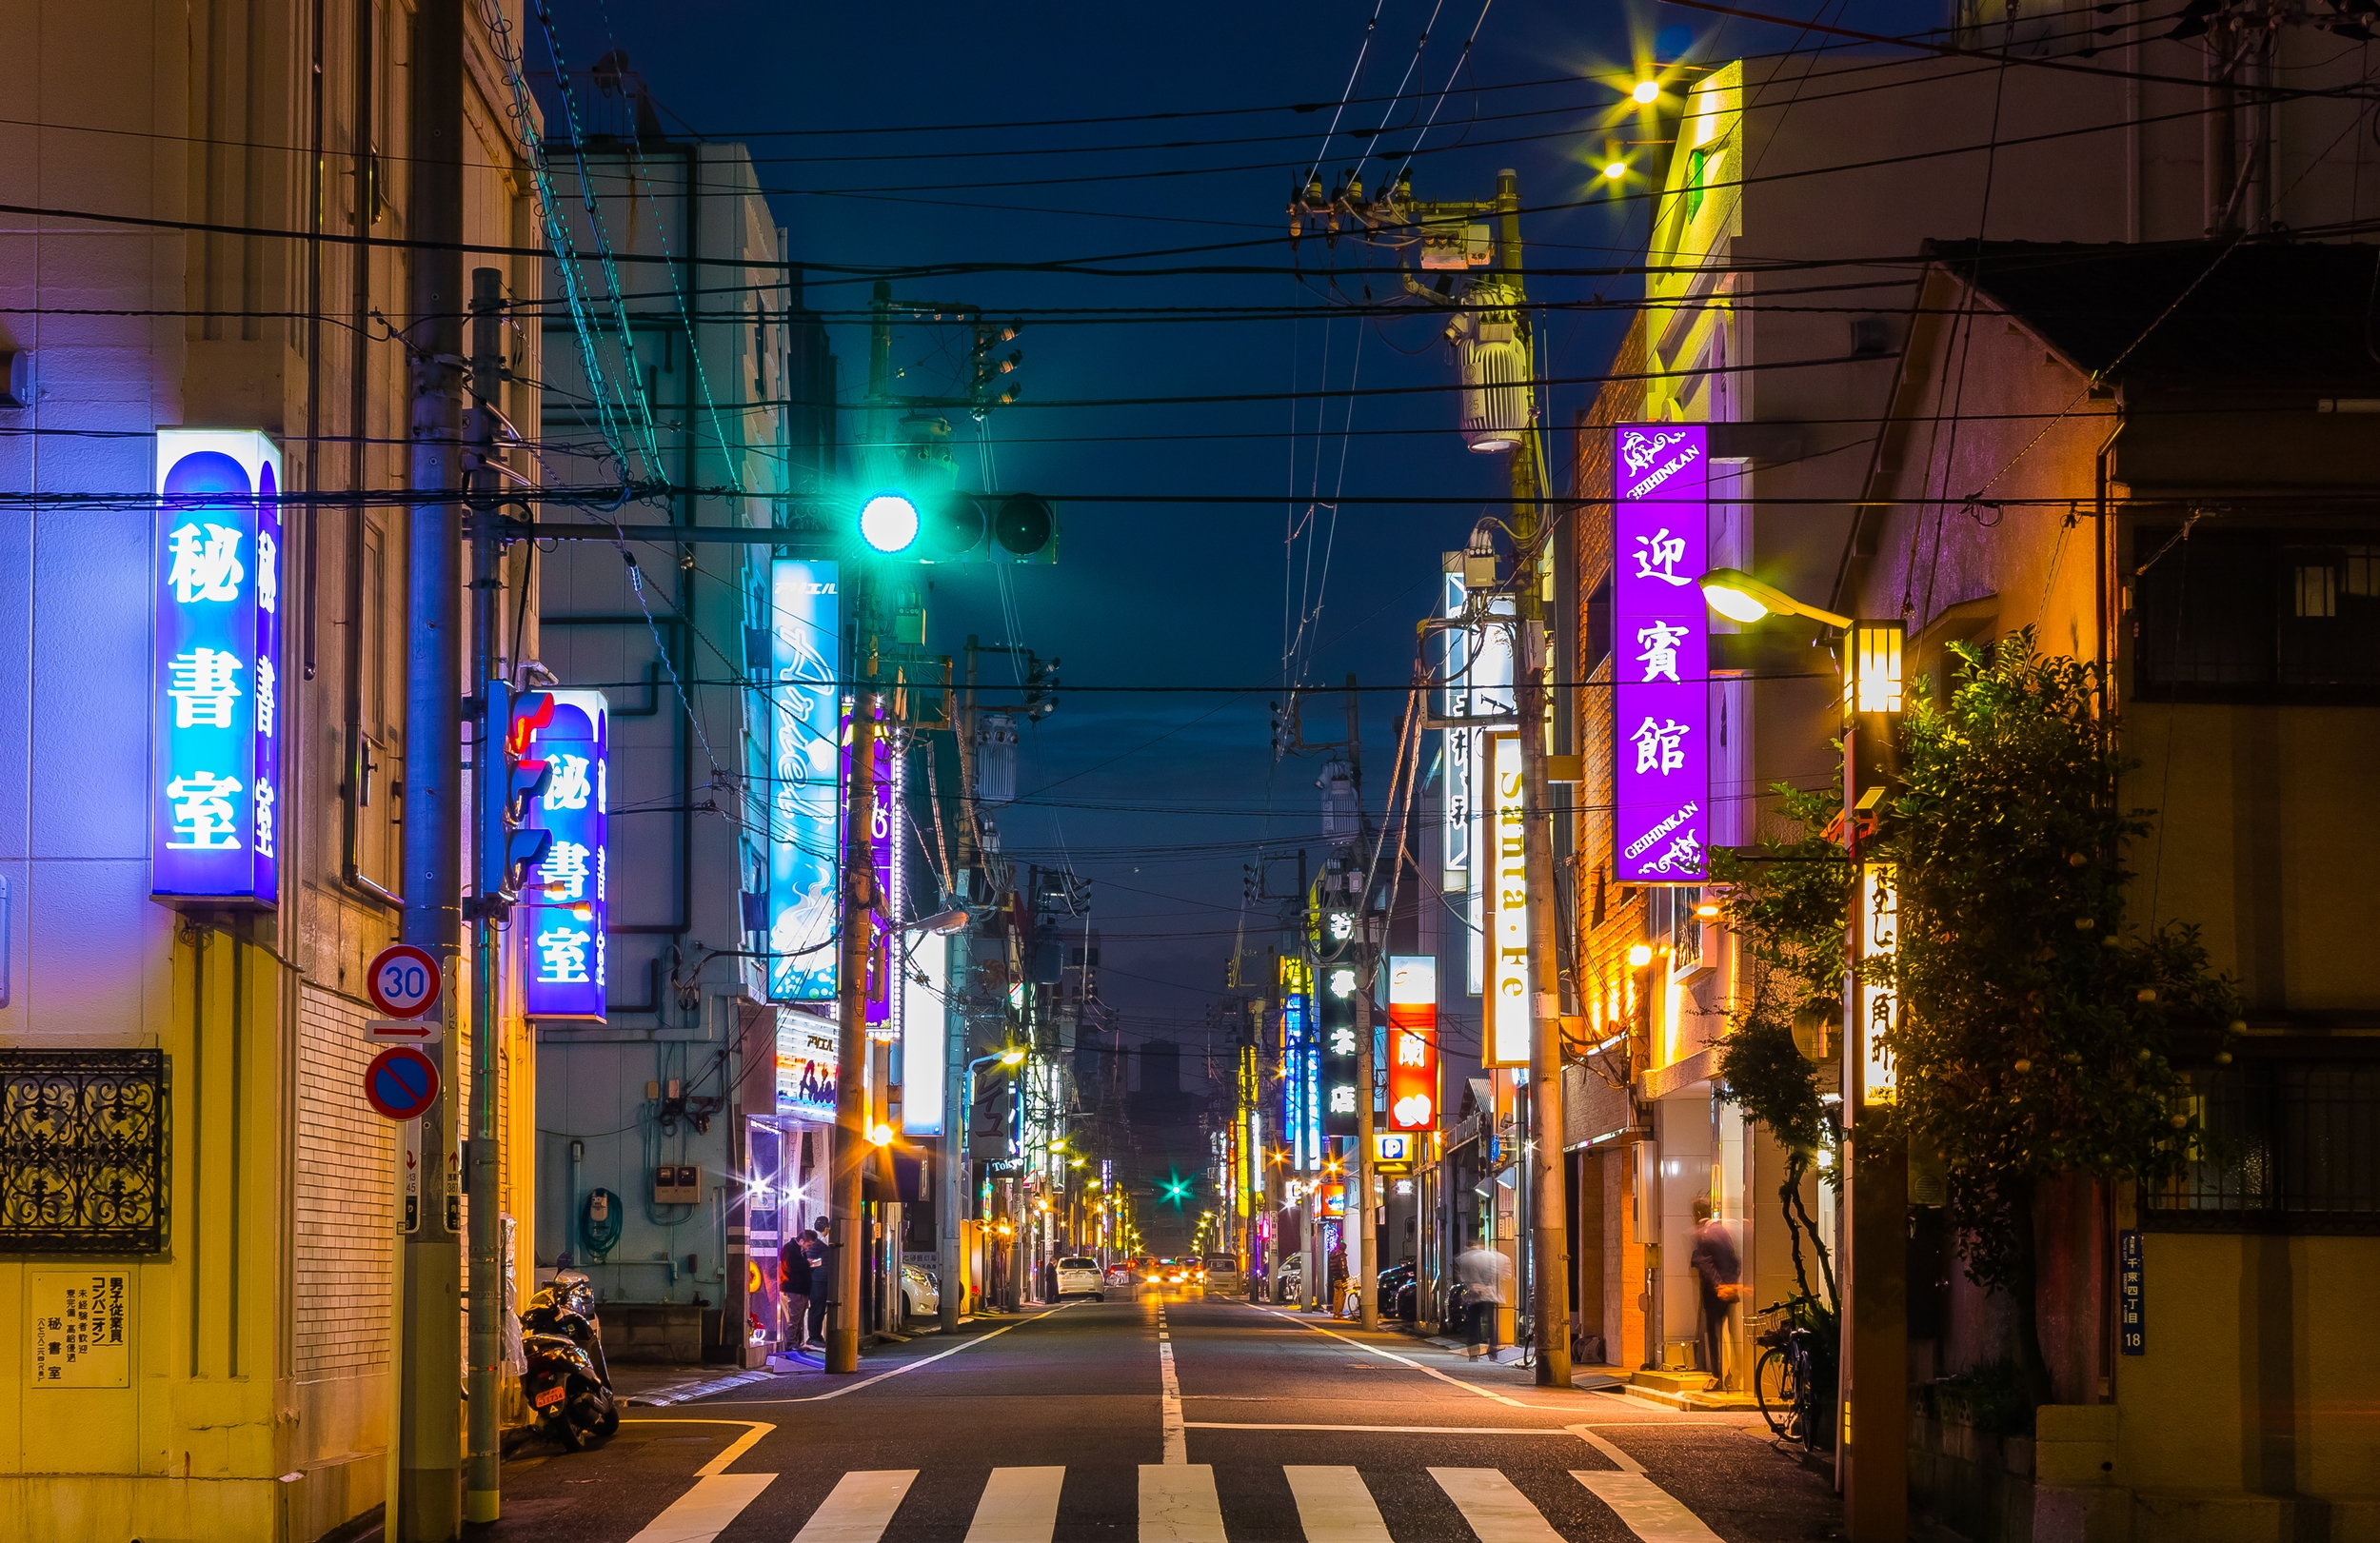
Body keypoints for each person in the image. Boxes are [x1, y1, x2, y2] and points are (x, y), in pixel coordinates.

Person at [1690, 1197, 1743, 1387]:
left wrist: (1719, 1286)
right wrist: (1732, 1284)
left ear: (1697, 1214)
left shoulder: (1704, 1235)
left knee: (1713, 1334)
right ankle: (1738, 1375)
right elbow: (1735, 1261)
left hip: (1714, 1294)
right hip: (1730, 1291)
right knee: (1734, 1335)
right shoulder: (1723, 1232)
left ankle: (1717, 1376)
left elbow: (1706, 1263)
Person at [1454, 1240, 1511, 1362]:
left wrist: (1476, 1286)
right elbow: (1504, 1276)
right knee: (1492, 1324)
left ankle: (1474, 1352)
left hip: (1476, 1296)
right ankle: (1493, 1352)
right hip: (1491, 1295)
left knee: (1473, 1324)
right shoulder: (1494, 1257)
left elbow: (1465, 1276)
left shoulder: (1467, 1258)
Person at [778, 1237, 814, 1350]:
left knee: (798, 1319)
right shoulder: (790, 1249)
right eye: (809, 1245)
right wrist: (806, 1264)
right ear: (802, 1241)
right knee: (793, 1319)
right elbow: (790, 1267)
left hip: (801, 1289)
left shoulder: (800, 1251)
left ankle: (795, 1343)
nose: (809, 1248)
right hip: (793, 1289)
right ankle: (791, 1344)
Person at [800, 1228, 830, 1349]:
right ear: (827, 1228)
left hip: (821, 1279)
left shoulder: (819, 1241)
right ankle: (814, 1337)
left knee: (820, 1308)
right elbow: (809, 1260)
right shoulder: (816, 1242)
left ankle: (817, 1336)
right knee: (817, 1308)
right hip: (817, 1280)